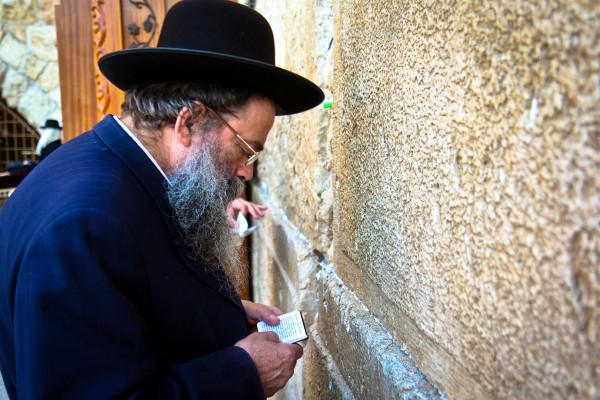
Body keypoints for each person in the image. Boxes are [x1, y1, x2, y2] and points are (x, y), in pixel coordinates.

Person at [0, 1, 323, 399]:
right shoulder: (88, 223)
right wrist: (242, 373)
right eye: (246, 148)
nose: (246, 172)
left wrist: (219, 311)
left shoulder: (130, 172)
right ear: (187, 121)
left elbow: (132, 306)